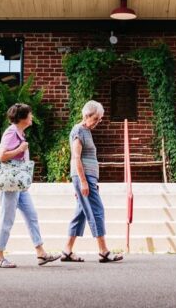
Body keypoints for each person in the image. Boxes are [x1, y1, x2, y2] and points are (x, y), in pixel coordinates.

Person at [0, 102, 60, 268]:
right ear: (22, 118)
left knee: (31, 215)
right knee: (7, 219)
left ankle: (41, 253)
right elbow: (1, 156)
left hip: (20, 184)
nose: (32, 117)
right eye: (29, 114)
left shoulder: (20, 133)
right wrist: (19, 149)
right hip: (11, 183)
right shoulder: (11, 133)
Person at [61, 100, 123, 263]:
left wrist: (90, 181)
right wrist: (83, 182)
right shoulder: (78, 131)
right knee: (97, 210)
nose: (98, 122)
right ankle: (103, 251)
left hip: (88, 178)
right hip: (84, 177)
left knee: (80, 213)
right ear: (87, 115)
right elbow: (76, 157)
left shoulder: (86, 131)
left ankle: (67, 250)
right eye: (96, 118)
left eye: (100, 119)